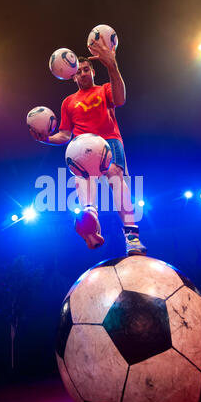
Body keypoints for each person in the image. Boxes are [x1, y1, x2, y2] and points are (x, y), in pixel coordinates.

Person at [30, 36, 146, 255]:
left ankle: (131, 237)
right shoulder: (68, 102)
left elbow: (120, 99)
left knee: (115, 178)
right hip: (81, 143)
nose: (82, 73)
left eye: (86, 69)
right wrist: (46, 139)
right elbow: (64, 134)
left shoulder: (104, 90)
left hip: (110, 141)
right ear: (72, 76)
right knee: (82, 177)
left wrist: (112, 65)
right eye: (79, 71)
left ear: (93, 71)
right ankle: (89, 216)